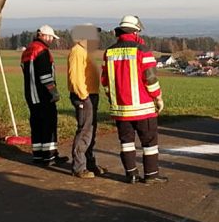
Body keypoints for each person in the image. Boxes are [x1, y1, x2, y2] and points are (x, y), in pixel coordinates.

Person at [101, 15, 167, 184]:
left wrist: (112, 98)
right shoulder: (142, 50)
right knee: (149, 142)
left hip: (120, 109)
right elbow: (150, 79)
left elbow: (105, 81)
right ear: (136, 31)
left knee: (126, 143)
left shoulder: (109, 52)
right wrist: (158, 97)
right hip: (143, 108)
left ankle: (131, 174)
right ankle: (151, 175)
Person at [21, 25, 68, 167]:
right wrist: (53, 91)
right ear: (43, 36)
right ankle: (50, 156)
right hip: (43, 95)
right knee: (48, 124)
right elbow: (45, 75)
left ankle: (38, 155)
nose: (52, 40)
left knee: (36, 124)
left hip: (31, 95)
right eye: (51, 38)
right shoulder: (42, 50)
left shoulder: (28, 50)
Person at [67, 24, 106, 178]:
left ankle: (90, 164)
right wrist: (84, 96)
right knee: (84, 131)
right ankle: (79, 167)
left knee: (90, 131)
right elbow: (75, 77)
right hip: (84, 96)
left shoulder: (84, 51)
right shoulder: (77, 51)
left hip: (90, 94)